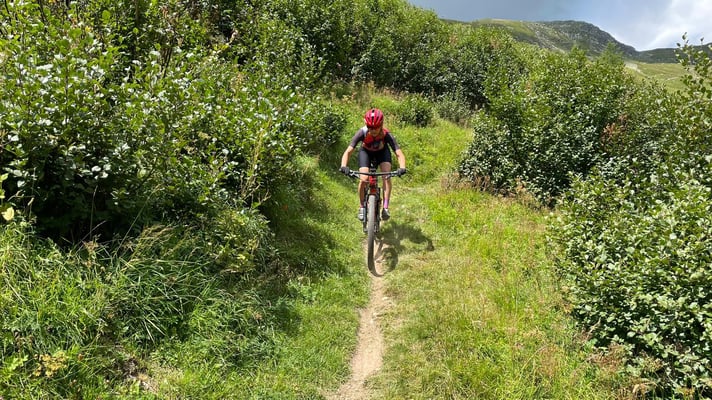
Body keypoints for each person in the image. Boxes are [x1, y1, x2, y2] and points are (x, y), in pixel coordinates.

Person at [340, 108, 407, 221]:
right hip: (366, 153)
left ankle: (385, 207)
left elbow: (399, 153)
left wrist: (402, 167)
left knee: (386, 176)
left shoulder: (386, 134)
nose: (373, 130)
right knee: (364, 179)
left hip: (382, 153)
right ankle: (362, 207)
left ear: (381, 125)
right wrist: (343, 166)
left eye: (376, 127)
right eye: (370, 127)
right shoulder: (362, 132)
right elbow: (348, 151)